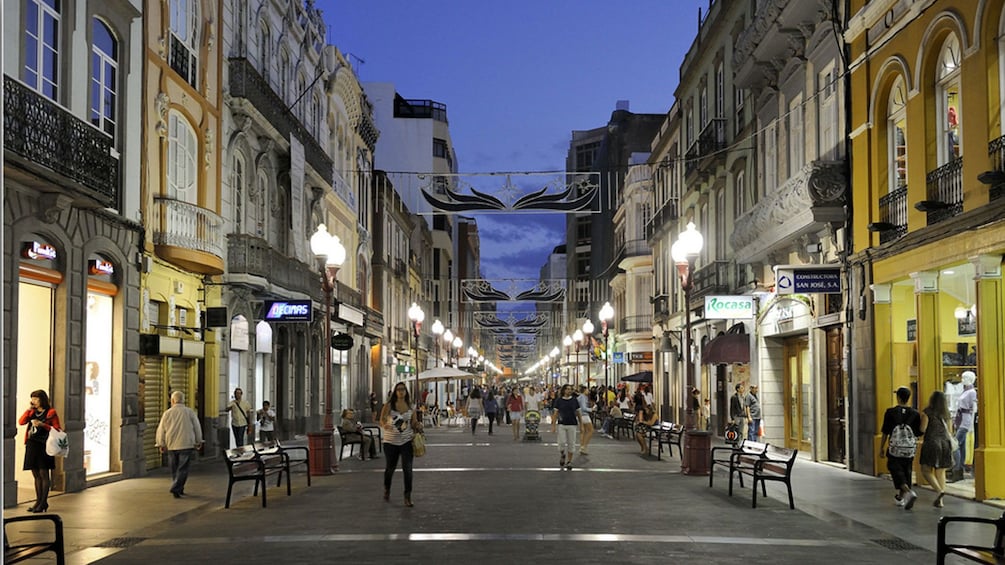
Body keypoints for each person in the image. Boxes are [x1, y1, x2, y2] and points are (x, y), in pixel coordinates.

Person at [879, 386, 922, 510]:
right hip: (909, 449)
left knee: (894, 469)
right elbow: (918, 432)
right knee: (906, 470)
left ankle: (908, 492)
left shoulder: (890, 412)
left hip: (895, 449)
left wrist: (881, 447)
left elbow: (885, 431)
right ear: (909, 398)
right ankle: (900, 497)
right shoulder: (915, 413)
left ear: (898, 397)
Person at [155, 391, 203, 499]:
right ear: (183, 400)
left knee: (174, 468)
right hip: (186, 444)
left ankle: (176, 487)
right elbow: (197, 427)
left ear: (172, 401)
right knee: (183, 468)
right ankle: (177, 487)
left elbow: (161, 430)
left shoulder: (167, 413)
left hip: (172, 445)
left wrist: (161, 443)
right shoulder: (190, 412)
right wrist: (198, 441)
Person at [380, 382, 422, 507]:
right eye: (398, 390)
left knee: (408, 470)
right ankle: (387, 489)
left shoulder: (411, 406)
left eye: (403, 389)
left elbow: (413, 422)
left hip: (406, 441)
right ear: (395, 392)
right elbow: (381, 419)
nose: (401, 392)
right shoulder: (389, 405)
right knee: (390, 469)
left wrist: (418, 425)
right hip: (390, 442)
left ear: (406, 391)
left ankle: (407, 496)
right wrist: (384, 425)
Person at [19, 390, 61, 512]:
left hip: (45, 445)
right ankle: (38, 501)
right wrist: (29, 410)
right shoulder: (32, 412)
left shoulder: (51, 412)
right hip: (32, 444)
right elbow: (21, 422)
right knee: (36, 474)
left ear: (42, 399)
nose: (34, 401)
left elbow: (57, 429)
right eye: (32, 398)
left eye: (36, 399)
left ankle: (43, 502)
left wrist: (43, 425)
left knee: (43, 474)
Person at [919, 391, 954, 508]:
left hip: (931, 442)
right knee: (941, 471)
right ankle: (940, 501)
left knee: (925, 470)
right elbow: (950, 431)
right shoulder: (946, 414)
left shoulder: (927, 412)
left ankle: (939, 491)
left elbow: (923, 429)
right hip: (945, 443)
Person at [949, 371, 977, 483]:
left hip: (966, 421)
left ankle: (957, 469)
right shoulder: (965, 391)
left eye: (965, 378)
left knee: (955, 444)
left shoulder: (971, 392)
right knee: (961, 445)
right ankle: (959, 469)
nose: (962, 379)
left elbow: (973, 408)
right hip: (961, 420)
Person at [553, 384, 581, 469]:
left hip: (572, 424)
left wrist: (581, 425)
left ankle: (569, 461)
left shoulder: (574, 401)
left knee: (571, 443)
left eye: (570, 389)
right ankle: (562, 454)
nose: (569, 391)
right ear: (564, 390)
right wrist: (553, 425)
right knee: (561, 442)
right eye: (567, 389)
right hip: (562, 424)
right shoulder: (559, 401)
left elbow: (578, 413)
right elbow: (555, 414)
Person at [577, 385, 595, 455]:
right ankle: (584, 446)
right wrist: (591, 409)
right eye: (587, 390)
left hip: (580, 415)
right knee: (590, 431)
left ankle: (582, 447)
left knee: (583, 432)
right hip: (584, 415)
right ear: (584, 390)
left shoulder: (580, 397)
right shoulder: (583, 397)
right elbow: (584, 408)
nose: (588, 391)